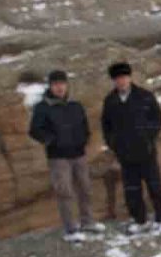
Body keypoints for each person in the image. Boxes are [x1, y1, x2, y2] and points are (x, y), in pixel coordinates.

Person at [27, 70, 104, 242]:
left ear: (67, 85)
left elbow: (84, 124)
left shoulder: (75, 105)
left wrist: (84, 138)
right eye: (55, 84)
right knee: (65, 192)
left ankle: (88, 221)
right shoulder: (43, 107)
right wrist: (50, 141)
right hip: (58, 157)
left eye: (62, 83)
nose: (59, 87)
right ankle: (71, 228)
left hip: (79, 153)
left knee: (85, 188)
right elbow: (34, 130)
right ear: (50, 86)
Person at [101, 62, 161, 231]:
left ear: (130, 78)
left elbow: (157, 119)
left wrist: (147, 137)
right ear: (113, 81)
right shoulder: (110, 101)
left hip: (146, 151)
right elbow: (106, 127)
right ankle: (139, 220)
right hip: (125, 154)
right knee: (132, 189)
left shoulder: (145, 96)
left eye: (124, 77)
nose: (121, 81)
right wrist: (114, 144)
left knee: (154, 186)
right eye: (117, 79)